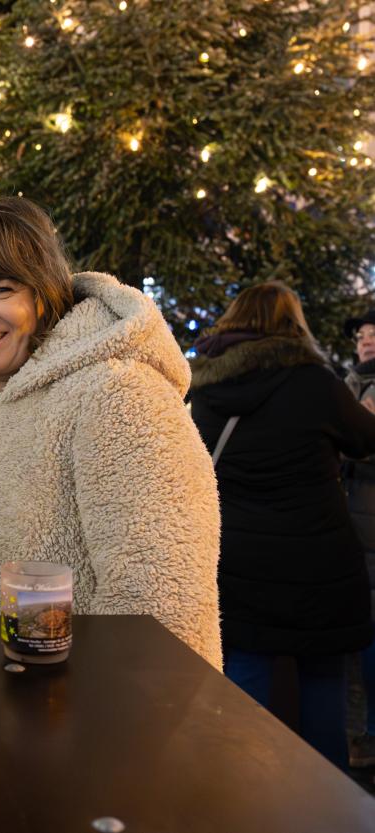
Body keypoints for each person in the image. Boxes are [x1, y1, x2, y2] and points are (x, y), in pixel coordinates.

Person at [0, 198, 222, 668]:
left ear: (42, 293)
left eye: (0, 289)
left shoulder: (117, 392)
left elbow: (163, 610)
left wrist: (71, 725)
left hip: (101, 727)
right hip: (18, 716)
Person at [189, 282, 375, 770]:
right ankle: (326, 802)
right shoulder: (317, 383)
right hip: (320, 558)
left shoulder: (206, 388)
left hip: (241, 555)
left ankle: (245, 791)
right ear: (293, 324)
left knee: (246, 667)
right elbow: (363, 440)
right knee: (322, 675)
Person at [341, 309, 375, 769]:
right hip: (355, 524)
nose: (367, 341)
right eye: (363, 336)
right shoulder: (348, 384)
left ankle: (368, 733)